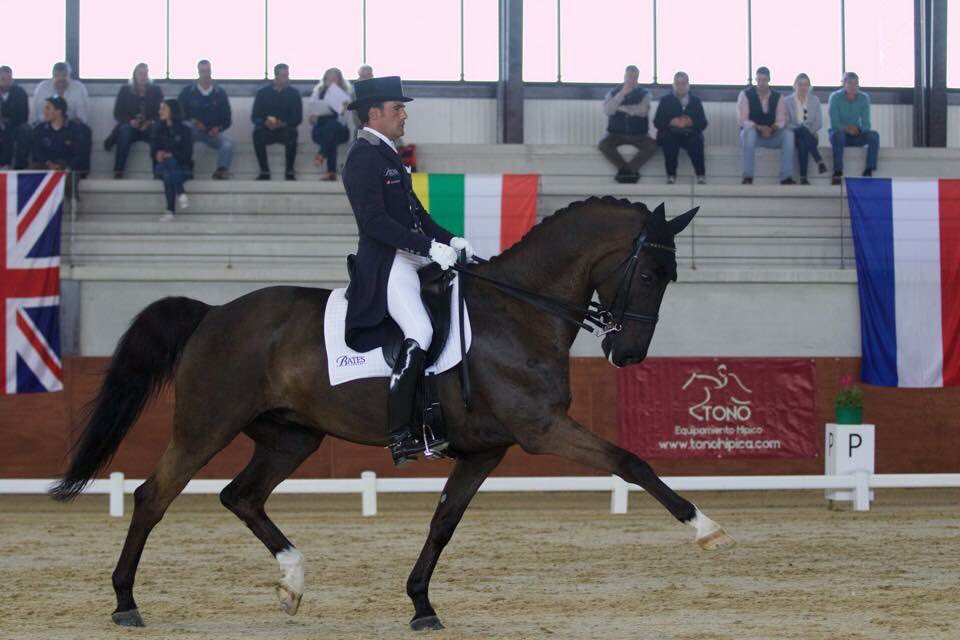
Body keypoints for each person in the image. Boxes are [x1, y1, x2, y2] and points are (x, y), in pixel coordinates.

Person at [342, 76, 475, 466]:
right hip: (387, 260)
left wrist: (451, 240)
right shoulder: (363, 156)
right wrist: (428, 248)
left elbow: (419, 216)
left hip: (412, 253)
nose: (404, 115)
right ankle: (401, 434)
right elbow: (374, 222)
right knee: (420, 329)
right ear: (374, 113)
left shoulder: (389, 155)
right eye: (397, 108)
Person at [31, 62, 92, 177]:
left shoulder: (79, 88)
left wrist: (66, 122)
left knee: (84, 131)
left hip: (71, 124)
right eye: (57, 76)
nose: (61, 79)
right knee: (36, 132)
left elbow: (83, 116)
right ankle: (44, 167)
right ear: (53, 76)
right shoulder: (42, 88)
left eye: (64, 75)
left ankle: (79, 171)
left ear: (69, 75)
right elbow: (38, 114)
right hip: (46, 124)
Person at [737, 66, 795, 185]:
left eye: (764, 80)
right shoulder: (745, 94)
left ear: (769, 80)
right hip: (753, 135)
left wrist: (772, 128)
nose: (761, 83)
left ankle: (786, 177)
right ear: (755, 80)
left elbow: (781, 120)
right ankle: (748, 176)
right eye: (758, 80)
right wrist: (759, 128)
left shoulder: (778, 96)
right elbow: (743, 120)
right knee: (749, 132)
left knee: (789, 134)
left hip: (772, 135)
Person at [599, 65, 656, 183]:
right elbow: (608, 110)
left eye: (635, 77)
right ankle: (627, 171)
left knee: (653, 146)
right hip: (615, 134)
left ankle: (627, 172)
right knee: (603, 145)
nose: (632, 80)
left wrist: (619, 107)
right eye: (629, 76)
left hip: (639, 135)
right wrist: (621, 94)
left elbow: (642, 111)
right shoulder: (613, 92)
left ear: (638, 78)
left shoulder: (645, 93)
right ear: (624, 76)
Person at [178, 59, 233, 179]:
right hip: (192, 130)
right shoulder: (187, 92)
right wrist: (194, 122)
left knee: (227, 145)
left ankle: (221, 170)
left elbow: (227, 118)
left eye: (207, 71)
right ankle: (185, 168)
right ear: (198, 72)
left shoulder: (220, 93)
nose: (205, 74)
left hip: (212, 133)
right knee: (183, 134)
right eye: (202, 71)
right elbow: (179, 113)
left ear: (211, 71)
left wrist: (218, 128)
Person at [110, 63, 164, 178]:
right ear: (135, 75)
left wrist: (150, 122)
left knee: (157, 133)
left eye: (145, 73)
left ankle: (158, 172)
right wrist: (130, 121)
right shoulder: (125, 90)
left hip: (148, 127)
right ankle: (118, 171)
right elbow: (118, 113)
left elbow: (161, 112)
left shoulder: (156, 90)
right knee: (125, 132)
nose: (143, 76)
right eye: (140, 74)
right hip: (131, 126)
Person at [653, 71, 707, 184]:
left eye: (683, 83)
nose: (680, 86)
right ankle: (671, 176)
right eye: (677, 83)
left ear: (688, 85)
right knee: (669, 142)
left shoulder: (695, 101)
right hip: (671, 133)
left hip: (690, 133)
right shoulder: (665, 100)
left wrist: (691, 122)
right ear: (673, 85)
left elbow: (703, 123)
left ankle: (701, 175)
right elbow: (657, 122)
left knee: (697, 141)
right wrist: (671, 122)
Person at [252, 63, 302, 180]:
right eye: (284, 76)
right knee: (257, 133)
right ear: (276, 76)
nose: (287, 78)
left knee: (292, 133)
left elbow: (297, 118)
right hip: (266, 129)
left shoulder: (294, 94)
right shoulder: (262, 93)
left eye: (287, 75)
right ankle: (264, 171)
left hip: (286, 129)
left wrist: (283, 123)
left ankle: (289, 171)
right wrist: (265, 122)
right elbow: (255, 116)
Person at [828, 72, 879, 185]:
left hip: (856, 134)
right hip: (839, 134)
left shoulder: (864, 98)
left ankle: (868, 170)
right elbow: (834, 123)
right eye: (850, 83)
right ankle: (837, 172)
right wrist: (846, 128)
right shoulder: (835, 97)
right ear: (844, 84)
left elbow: (866, 124)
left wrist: (858, 130)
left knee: (874, 136)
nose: (853, 86)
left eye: (856, 83)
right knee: (838, 135)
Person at [150, 99, 193, 222]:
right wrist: (158, 154)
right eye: (160, 109)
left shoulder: (185, 130)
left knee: (168, 173)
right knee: (168, 163)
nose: (160, 111)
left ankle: (170, 211)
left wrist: (171, 154)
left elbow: (187, 154)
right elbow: (153, 151)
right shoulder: (157, 128)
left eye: (163, 108)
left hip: (183, 167)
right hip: (161, 166)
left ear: (172, 111)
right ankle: (181, 194)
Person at [31, 97, 81, 196]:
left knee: (71, 176)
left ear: (58, 111)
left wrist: (66, 168)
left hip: (67, 168)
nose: (44, 111)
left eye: (48, 108)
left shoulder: (74, 129)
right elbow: (37, 152)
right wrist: (49, 164)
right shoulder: (39, 130)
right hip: (45, 167)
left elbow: (79, 154)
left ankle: (70, 202)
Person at [308, 68, 352, 181]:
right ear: (325, 80)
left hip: (341, 130)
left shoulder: (345, 95)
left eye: (334, 79)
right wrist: (312, 118)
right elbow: (312, 119)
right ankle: (331, 172)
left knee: (333, 126)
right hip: (320, 130)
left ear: (339, 80)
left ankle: (321, 154)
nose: (331, 82)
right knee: (331, 136)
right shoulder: (318, 92)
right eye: (328, 79)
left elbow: (344, 121)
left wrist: (343, 111)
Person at [785, 73, 828, 185]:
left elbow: (818, 122)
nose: (803, 87)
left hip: (811, 136)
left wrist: (807, 131)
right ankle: (818, 161)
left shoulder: (815, 100)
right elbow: (786, 123)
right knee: (802, 131)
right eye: (800, 84)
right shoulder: (787, 101)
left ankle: (804, 178)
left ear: (809, 87)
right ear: (794, 86)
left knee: (803, 140)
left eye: (806, 85)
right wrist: (800, 129)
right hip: (793, 135)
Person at [0, 66, 32, 169]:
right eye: (3, 79)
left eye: (8, 79)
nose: (6, 82)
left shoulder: (20, 92)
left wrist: (7, 120)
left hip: (15, 125)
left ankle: (20, 165)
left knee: (25, 130)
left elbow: (24, 115)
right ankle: (3, 163)